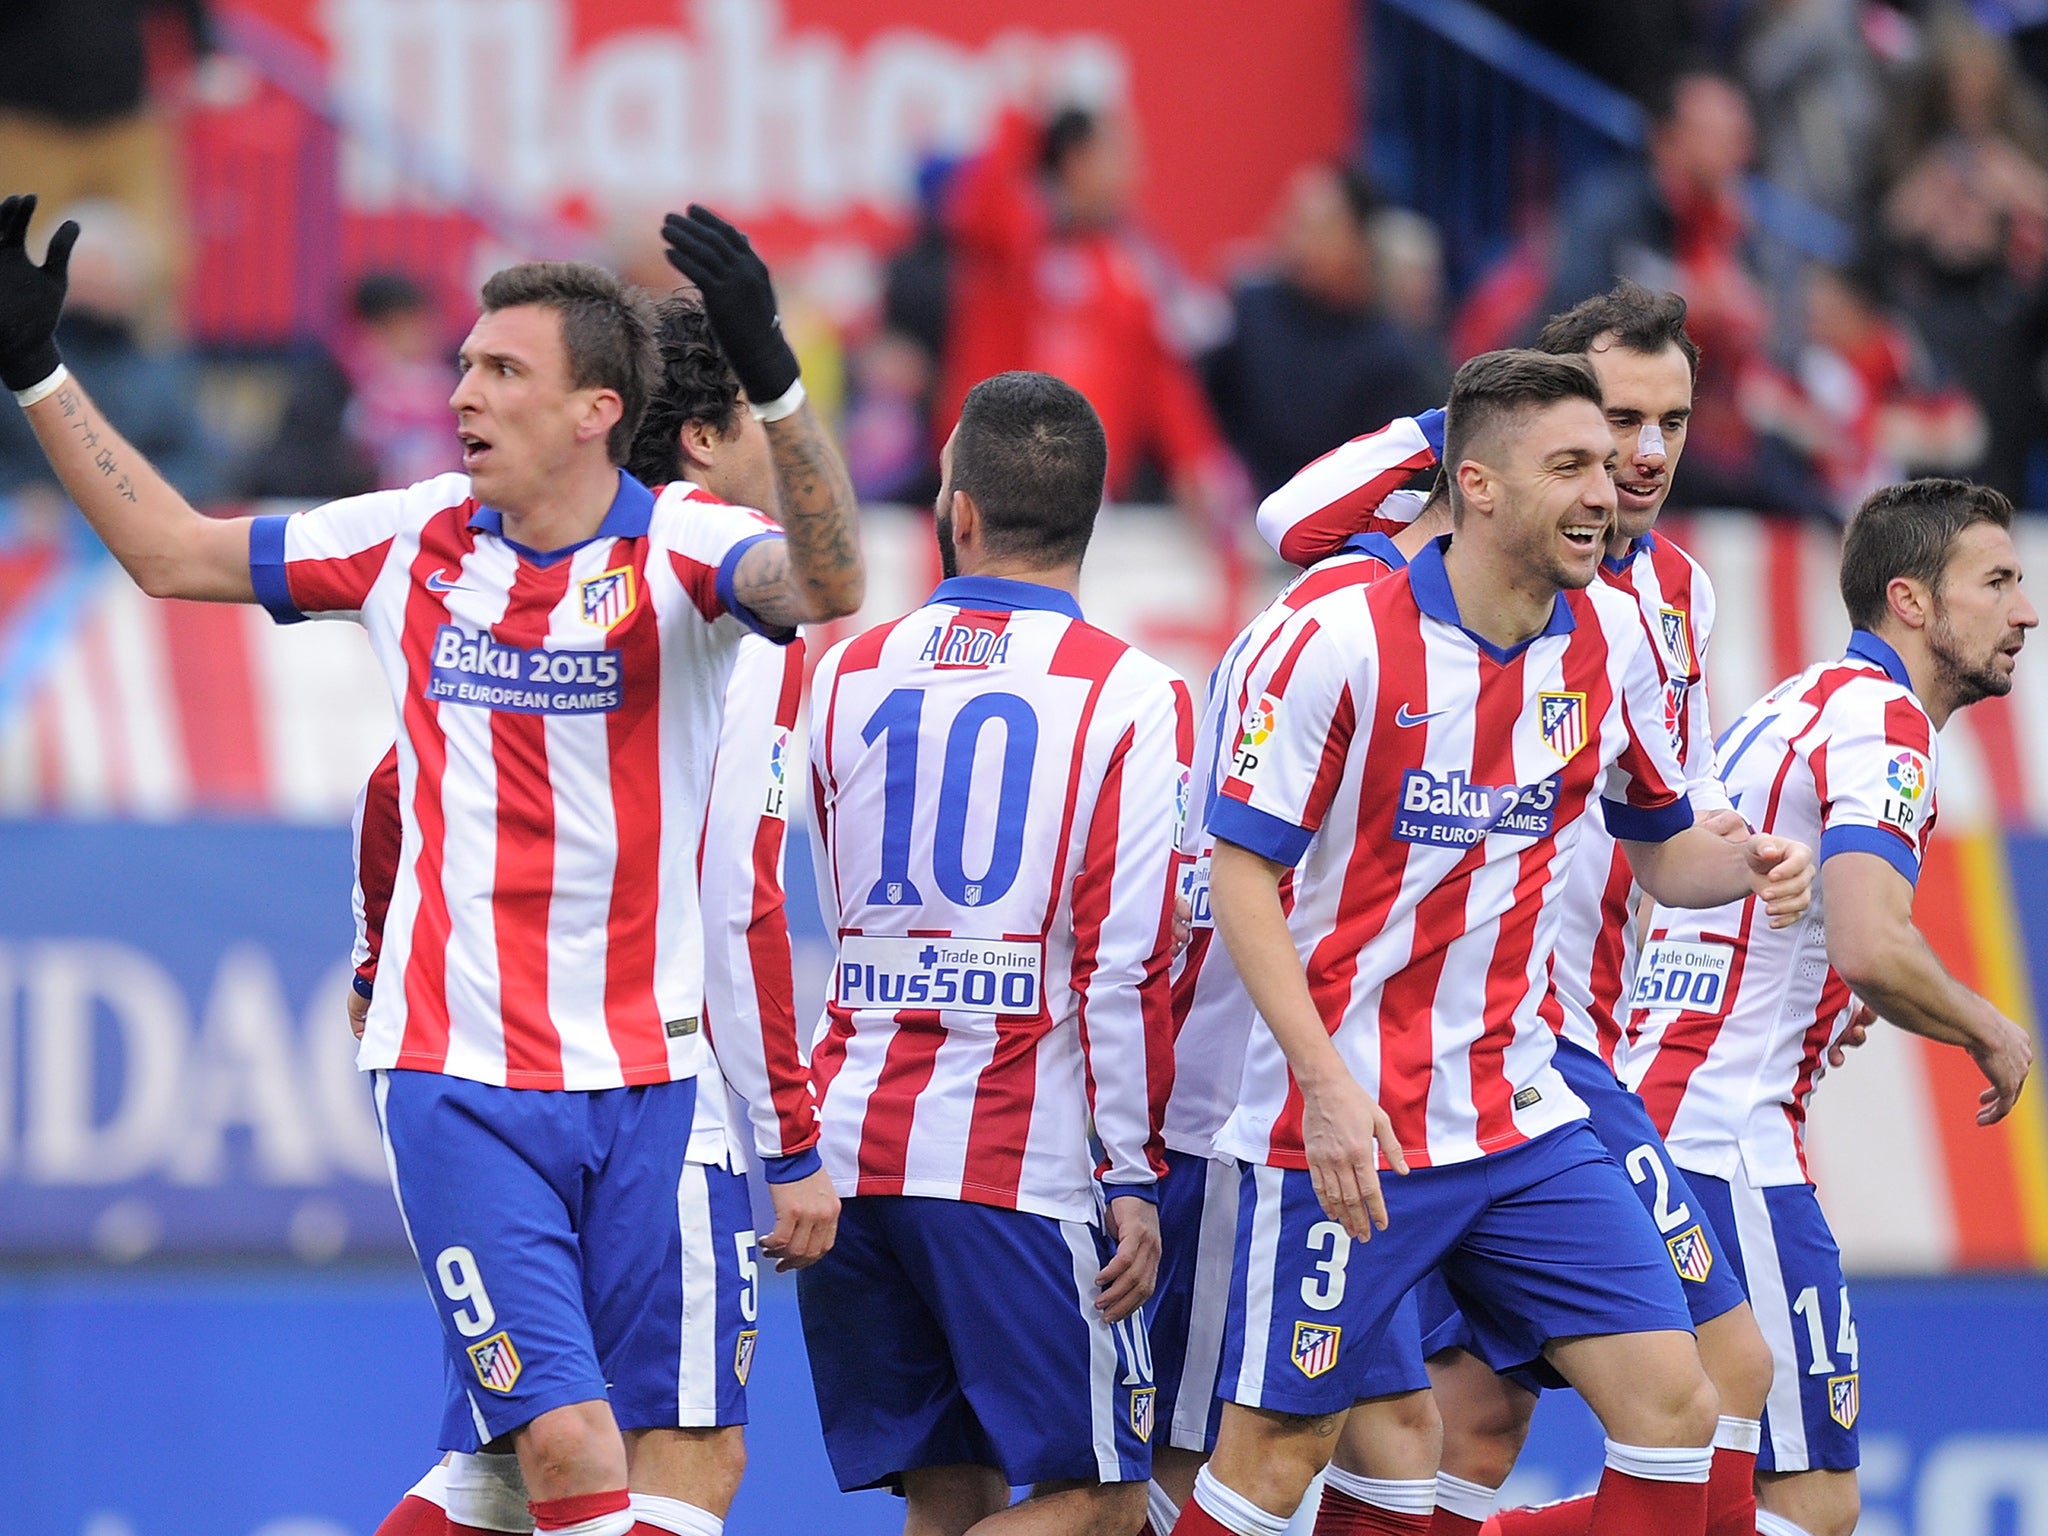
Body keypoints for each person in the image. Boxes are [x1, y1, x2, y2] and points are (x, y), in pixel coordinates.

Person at [0, 191, 864, 1536]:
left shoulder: (682, 551)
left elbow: (827, 586)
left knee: (567, 1475)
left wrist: (783, 388)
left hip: (646, 1085)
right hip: (458, 1078)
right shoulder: (410, 535)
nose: (462, 387)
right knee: (575, 1449)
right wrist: (39, 375)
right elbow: (173, 553)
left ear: (594, 410)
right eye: (464, 361)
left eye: (502, 368)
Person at [1173, 349, 1816, 1536]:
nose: (1607, 486)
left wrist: (1758, 858)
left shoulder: (1610, 642)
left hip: (1518, 1112)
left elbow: (1664, 851)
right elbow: (1239, 876)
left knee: (1679, 1405)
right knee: (1275, 1460)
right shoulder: (1334, 637)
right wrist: (1321, 1087)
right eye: (1568, 464)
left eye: (1615, 459)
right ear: (1472, 485)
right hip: (1345, 1125)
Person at [361, 294, 840, 1536]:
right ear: (699, 440)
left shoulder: (525, 572)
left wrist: (376, 960)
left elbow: (391, 790)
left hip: (502, 1073)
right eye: (755, 427)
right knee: (682, 1453)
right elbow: (738, 891)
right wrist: (786, 1135)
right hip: (654, 1085)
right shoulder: (714, 599)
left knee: (509, 1465)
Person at [800, 370, 1190, 1534]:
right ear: (1089, 517)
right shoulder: (1130, 693)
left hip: (847, 1144)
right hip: (1016, 1163)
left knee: (947, 1493)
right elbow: (1123, 964)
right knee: (1103, 1501)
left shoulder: (843, 671)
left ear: (957, 510)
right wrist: (1131, 1175)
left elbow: (818, 892)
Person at [1625, 477, 2038, 1536]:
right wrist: (1986, 1027)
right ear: (1909, 600)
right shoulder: (1888, 728)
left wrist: (1812, 997)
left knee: (1695, 1490)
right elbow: (1870, 942)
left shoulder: (1792, 702)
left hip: (1653, 1119)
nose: (2023, 611)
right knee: (1811, 1504)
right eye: (1993, 582)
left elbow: (1761, 922)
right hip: (1728, 1148)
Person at [1147, 412, 1454, 1536]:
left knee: (1399, 1438)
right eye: (1586, 438)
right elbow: (1286, 516)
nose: (1632, 465)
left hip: (1377, 1110)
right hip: (1245, 1118)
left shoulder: (1583, 632)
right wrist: (1447, 414)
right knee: (1210, 1465)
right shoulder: (1333, 618)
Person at [941, 103, 1240, 524]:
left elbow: (1159, 376)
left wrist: (1197, 461)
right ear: (1078, 160)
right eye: (1117, 154)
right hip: (990, 494)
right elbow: (974, 209)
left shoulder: (1130, 265)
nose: (1133, 173)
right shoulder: (1016, 243)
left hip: (1087, 504)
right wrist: (1021, 118)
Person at [1202, 162, 1447, 499]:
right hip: (1244, 514)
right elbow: (1199, 408)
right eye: (1295, 221)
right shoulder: (1254, 312)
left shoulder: (1394, 358)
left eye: (1320, 227)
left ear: (1361, 239)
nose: (1299, 239)